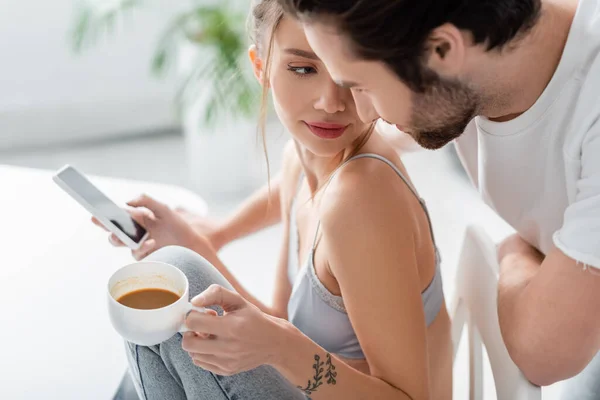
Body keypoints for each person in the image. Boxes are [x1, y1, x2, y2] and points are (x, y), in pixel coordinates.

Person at [96, 0, 452, 398]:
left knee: (173, 275)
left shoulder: (361, 201)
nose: (330, 102)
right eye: (303, 68)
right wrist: (206, 241)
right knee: (167, 313)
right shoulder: (304, 161)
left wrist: (281, 346)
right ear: (260, 66)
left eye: (349, 73)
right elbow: (280, 325)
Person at [276, 0, 600, 397]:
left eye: (361, 85)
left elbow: (544, 352)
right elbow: (321, 157)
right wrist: (221, 231)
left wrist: (515, 250)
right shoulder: (472, 65)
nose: (363, 111)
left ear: (443, 50)